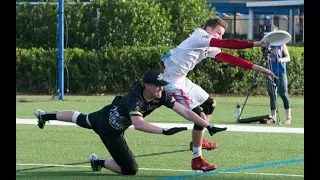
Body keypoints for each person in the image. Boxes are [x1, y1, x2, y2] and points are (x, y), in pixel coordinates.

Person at [33, 70, 227, 175]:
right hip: (110, 130)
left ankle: (44, 116)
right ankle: (98, 161)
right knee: (130, 170)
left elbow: (184, 111)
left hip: (108, 114)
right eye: (157, 86)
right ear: (147, 86)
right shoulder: (135, 99)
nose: (161, 89)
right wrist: (164, 131)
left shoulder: (161, 95)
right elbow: (139, 124)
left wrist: (207, 124)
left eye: (161, 86)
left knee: (80, 118)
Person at [160, 17, 277, 171]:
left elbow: (228, 57)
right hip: (171, 84)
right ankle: (197, 159)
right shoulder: (200, 36)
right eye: (219, 33)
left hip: (181, 80)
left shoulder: (207, 42)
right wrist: (255, 43)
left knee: (210, 104)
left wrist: (258, 68)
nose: (220, 37)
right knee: (200, 118)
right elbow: (226, 43)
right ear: (208, 30)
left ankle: (199, 140)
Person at [265, 25, 292, 125]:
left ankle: (288, 117)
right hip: (270, 72)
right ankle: (273, 117)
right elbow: (265, 60)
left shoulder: (282, 45)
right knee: (272, 94)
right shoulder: (267, 45)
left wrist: (281, 60)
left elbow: (288, 57)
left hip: (281, 72)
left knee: (283, 93)